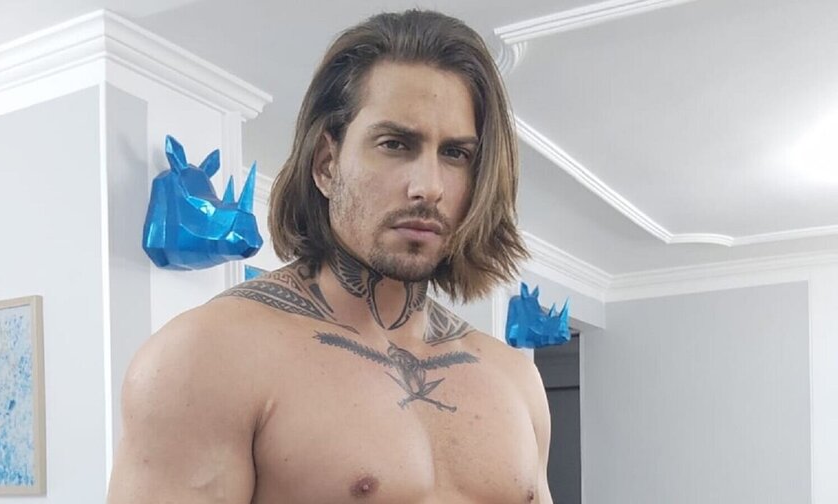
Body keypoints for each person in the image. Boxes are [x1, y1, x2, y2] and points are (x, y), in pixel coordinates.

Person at [107, 9, 553, 504]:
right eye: (395, 144)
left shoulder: (515, 379)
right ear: (326, 164)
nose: (429, 187)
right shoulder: (207, 356)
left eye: (455, 154)